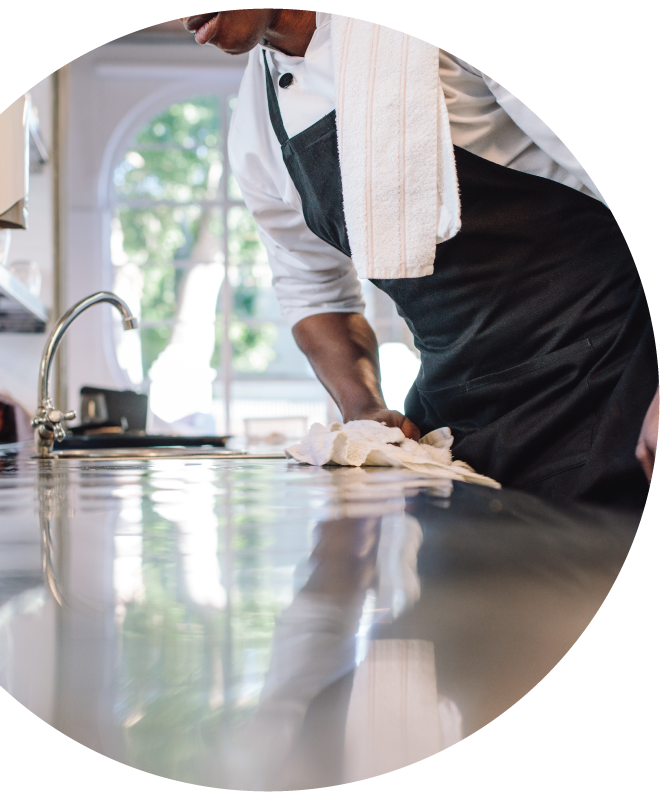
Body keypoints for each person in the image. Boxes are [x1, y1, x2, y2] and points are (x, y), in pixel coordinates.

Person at [182, 11, 658, 507]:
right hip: (460, 434)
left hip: (618, 387)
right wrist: (364, 407)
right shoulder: (254, 129)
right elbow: (315, 297)